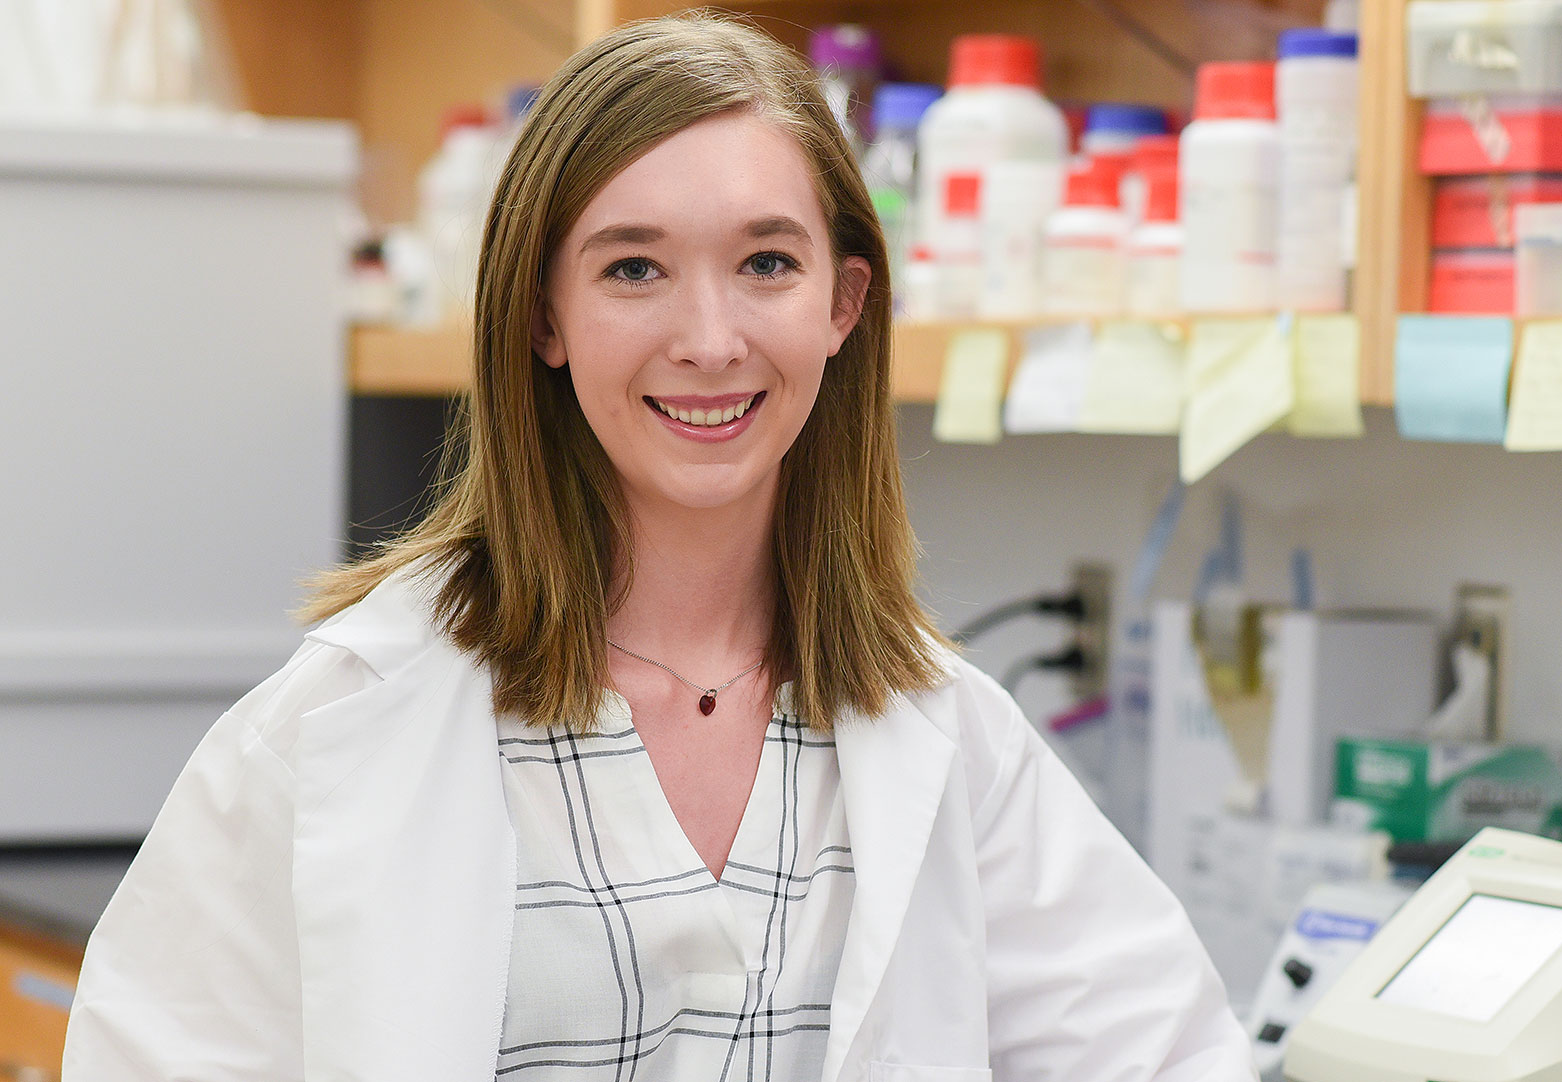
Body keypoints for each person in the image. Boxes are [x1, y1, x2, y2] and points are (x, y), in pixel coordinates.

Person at [63, 14, 1251, 1081]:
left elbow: (1169, 1050)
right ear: (542, 313)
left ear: (842, 305)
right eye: (633, 267)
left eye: (766, 263)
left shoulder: (942, 735)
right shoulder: (335, 732)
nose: (710, 336)